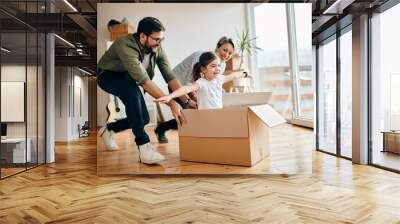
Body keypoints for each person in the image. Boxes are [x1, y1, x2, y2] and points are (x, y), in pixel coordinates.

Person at [97, 17, 189, 165]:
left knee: (143, 119)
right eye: (156, 39)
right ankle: (144, 147)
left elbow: (170, 76)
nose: (159, 43)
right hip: (107, 76)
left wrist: (187, 100)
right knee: (132, 94)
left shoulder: (156, 48)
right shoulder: (124, 45)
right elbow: (145, 82)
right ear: (142, 36)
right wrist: (171, 103)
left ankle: (109, 129)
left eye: (161, 39)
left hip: (127, 78)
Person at [154, 37, 238, 142]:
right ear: (217, 47)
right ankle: (161, 128)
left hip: (193, 88)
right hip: (178, 84)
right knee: (188, 116)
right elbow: (192, 83)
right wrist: (191, 100)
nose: (226, 55)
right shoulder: (201, 57)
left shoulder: (223, 64)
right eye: (225, 50)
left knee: (195, 115)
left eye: (230, 53)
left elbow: (213, 83)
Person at [155, 51, 247, 109]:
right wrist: (170, 96)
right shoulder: (201, 83)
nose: (218, 69)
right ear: (203, 69)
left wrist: (245, 74)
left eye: (218, 65)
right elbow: (186, 89)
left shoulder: (220, 79)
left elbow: (233, 75)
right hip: (205, 117)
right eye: (213, 66)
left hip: (218, 114)